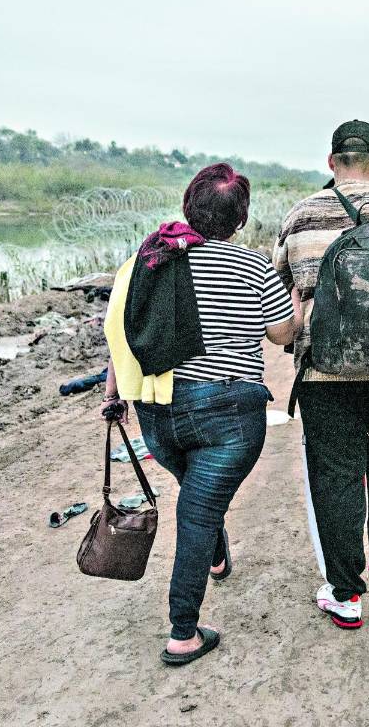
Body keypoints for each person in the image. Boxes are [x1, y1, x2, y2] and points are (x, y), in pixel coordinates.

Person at [101, 162, 300, 666]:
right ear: (240, 219)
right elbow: (283, 336)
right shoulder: (255, 267)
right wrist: (296, 303)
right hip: (228, 416)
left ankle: (214, 550)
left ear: (188, 205)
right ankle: (182, 634)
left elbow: (120, 335)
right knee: (196, 512)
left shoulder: (146, 263)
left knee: (197, 498)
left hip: (158, 414)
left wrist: (113, 395)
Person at [273, 120, 369, 630]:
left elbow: (283, 296)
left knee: (336, 477)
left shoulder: (300, 217)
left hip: (324, 373)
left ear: (331, 162)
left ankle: (345, 594)